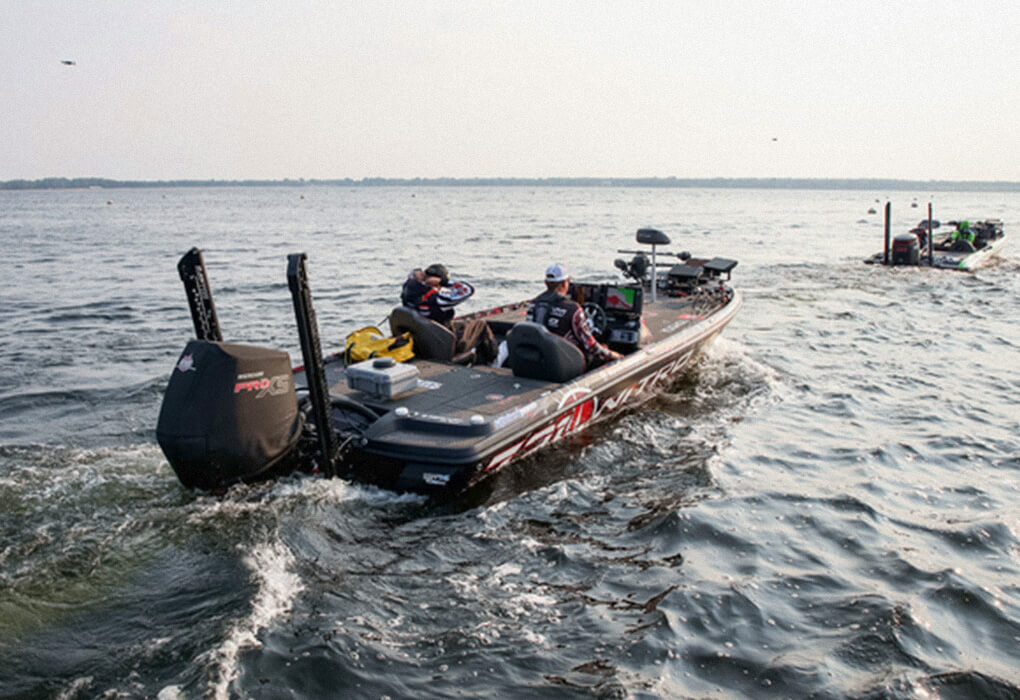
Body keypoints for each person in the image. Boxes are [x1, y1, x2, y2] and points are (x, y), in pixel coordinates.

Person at [526, 263, 622, 370]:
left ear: (546, 283)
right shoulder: (572, 309)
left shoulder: (533, 304)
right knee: (602, 353)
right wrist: (613, 355)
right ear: (564, 283)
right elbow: (590, 345)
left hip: (539, 361)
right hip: (564, 366)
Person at [400, 263, 497, 364]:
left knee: (462, 324)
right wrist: (444, 282)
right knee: (480, 325)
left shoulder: (408, 295)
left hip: (422, 341)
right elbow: (468, 290)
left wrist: (418, 275)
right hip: (443, 344)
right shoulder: (438, 300)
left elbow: (411, 278)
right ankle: (492, 360)